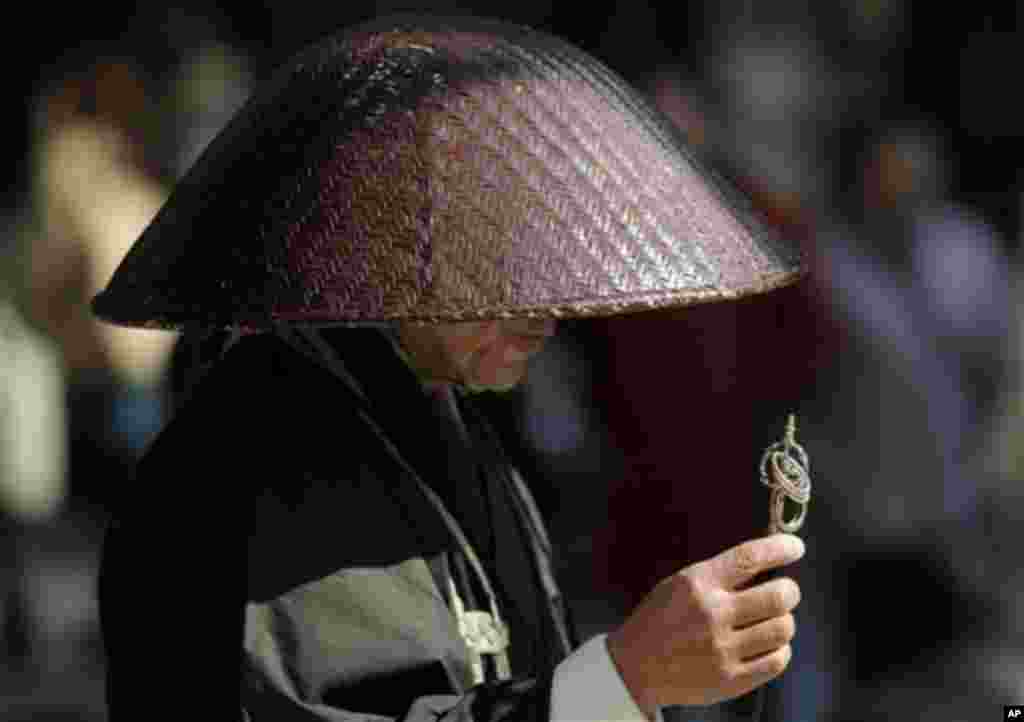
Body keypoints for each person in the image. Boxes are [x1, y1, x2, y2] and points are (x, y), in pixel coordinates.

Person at [94, 15, 807, 722]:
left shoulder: (450, 414)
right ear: (399, 254)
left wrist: (646, 683)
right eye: (505, 262)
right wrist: (622, 680)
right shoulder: (246, 466)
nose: (547, 310)